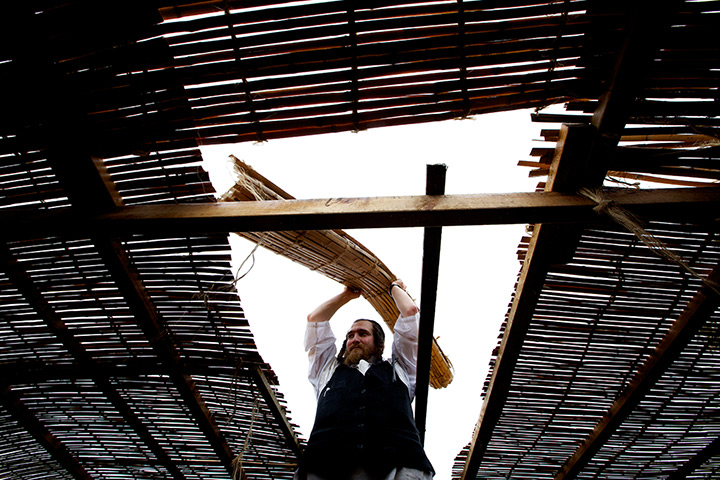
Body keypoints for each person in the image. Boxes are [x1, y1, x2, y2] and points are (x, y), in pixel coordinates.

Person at [295, 280, 435, 480]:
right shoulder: (327, 370)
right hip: (324, 467)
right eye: (350, 335)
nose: (355, 339)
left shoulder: (400, 368)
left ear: (380, 344)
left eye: (363, 334)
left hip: (400, 466)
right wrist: (347, 295)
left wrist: (393, 288)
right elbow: (315, 319)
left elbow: (411, 313)